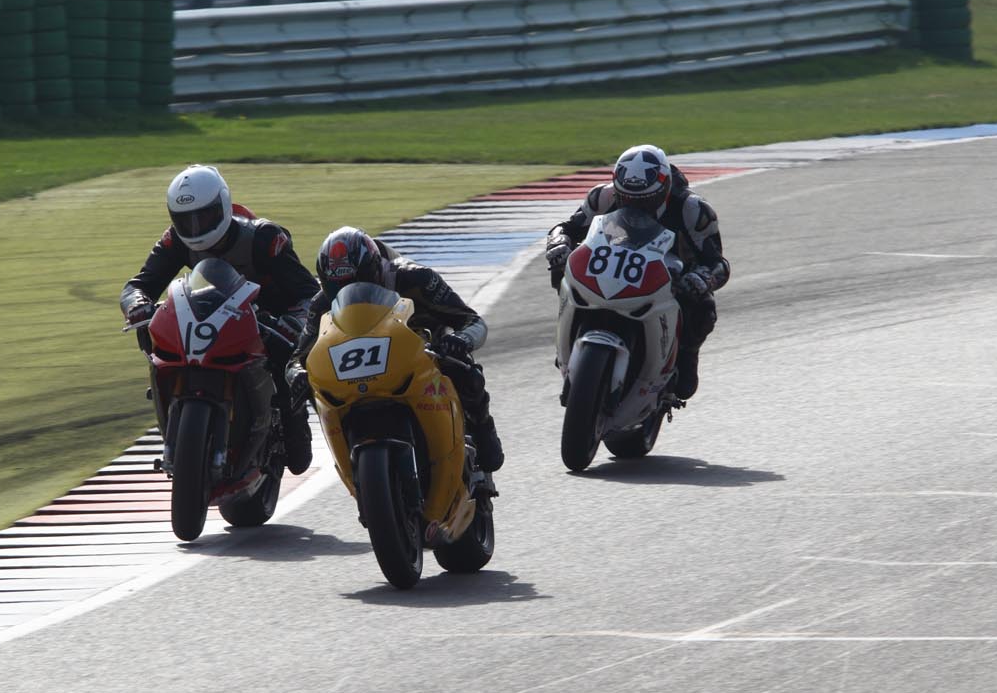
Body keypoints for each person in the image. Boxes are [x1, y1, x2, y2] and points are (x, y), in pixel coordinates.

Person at [120, 164, 319, 474]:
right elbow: (138, 285)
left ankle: (294, 423)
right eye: (186, 220)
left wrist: (294, 320)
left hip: (265, 322)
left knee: (297, 453)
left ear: (224, 206)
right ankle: (172, 411)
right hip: (207, 318)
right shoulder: (176, 240)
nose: (196, 228)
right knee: (153, 335)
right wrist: (138, 304)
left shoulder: (264, 238)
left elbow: (309, 291)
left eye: (205, 217)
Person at [295, 226, 505, 472]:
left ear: (374, 269)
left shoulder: (416, 279)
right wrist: (297, 373)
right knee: (308, 388)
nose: (347, 292)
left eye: (355, 282)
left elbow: (472, 321)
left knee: (464, 368)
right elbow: (300, 355)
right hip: (358, 369)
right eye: (337, 287)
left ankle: (483, 430)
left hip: (423, 355)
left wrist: (460, 340)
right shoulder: (321, 302)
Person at [544, 144, 729, 399]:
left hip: (670, 278)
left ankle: (685, 356)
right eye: (627, 199)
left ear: (663, 190)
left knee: (703, 306)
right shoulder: (602, 197)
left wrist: (701, 277)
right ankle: (567, 333)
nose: (634, 208)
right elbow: (566, 227)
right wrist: (558, 242)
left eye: (644, 202)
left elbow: (718, 263)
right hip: (613, 261)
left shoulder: (693, 209)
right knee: (563, 263)